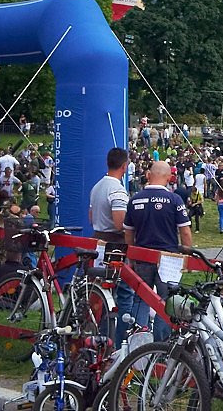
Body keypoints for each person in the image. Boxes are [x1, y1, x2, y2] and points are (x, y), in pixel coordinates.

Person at [124, 160, 192, 342]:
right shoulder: (174, 199)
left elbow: (128, 232)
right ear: (170, 177)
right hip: (168, 259)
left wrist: (131, 256)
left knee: (141, 300)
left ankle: (139, 344)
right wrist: (188, 257)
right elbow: (185, 231)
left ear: (148, 175)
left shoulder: (135, 199)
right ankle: (161, 345)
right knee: (166, 301)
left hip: (141, 257)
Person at [88, 148, 135, 345]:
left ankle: (98, 338)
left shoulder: (97, 186)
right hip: (114, 247)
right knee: (122, 294)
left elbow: (91, 218)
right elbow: (119, 223)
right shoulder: (116, 190)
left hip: (98, 240)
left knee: (99, 294)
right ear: (124, 166)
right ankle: (117, 341)